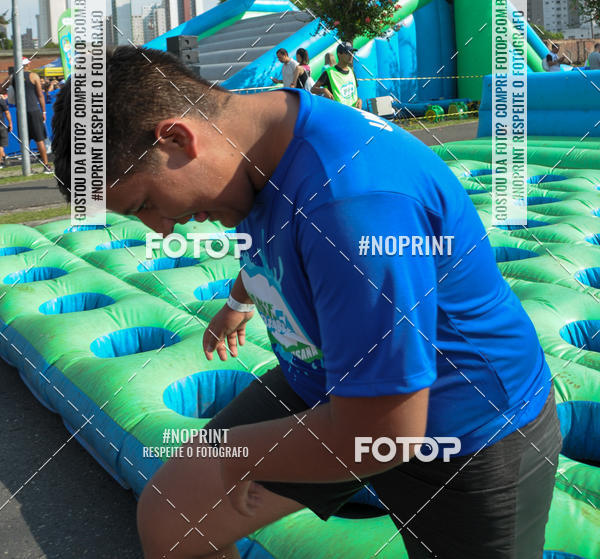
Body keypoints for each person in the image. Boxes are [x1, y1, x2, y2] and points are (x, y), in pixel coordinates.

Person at [51, 46, 562, 559]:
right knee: (174, 515)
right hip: (331, 386)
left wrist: (234, 462)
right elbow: (275, 235)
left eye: (145, 204)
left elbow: (384, 428)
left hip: (463, 428)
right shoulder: (255, 137)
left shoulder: (353, 205)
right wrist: (239, 301)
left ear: (179, 138)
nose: (160, 227)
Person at [9, 59, 52, 172]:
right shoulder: (33, 76)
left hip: (21, 112)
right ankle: (46, 165)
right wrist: (44, 111)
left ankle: (28, 168)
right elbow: (40, 95)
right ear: (28, 64)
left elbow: (6, 92)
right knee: (40, 139)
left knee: (25, 141)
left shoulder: (13, 77)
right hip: (33, 110)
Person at [312, 42, 362, 109]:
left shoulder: (351, 71)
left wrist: (359, 100)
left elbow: (354, 93)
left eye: (352, 53)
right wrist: (323, 90)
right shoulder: (329, 72)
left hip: (354, 113)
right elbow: (312, 89)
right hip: (339, 114)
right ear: (339, 55)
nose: (351, 55)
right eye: (348, 53)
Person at [0, 91, 12, 168]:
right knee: (1, 145)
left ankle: (4, 157)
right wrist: (10, 123)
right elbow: (7, 112)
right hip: (1, 125)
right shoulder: (1, 101)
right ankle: (1, 161)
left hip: (1, 124)